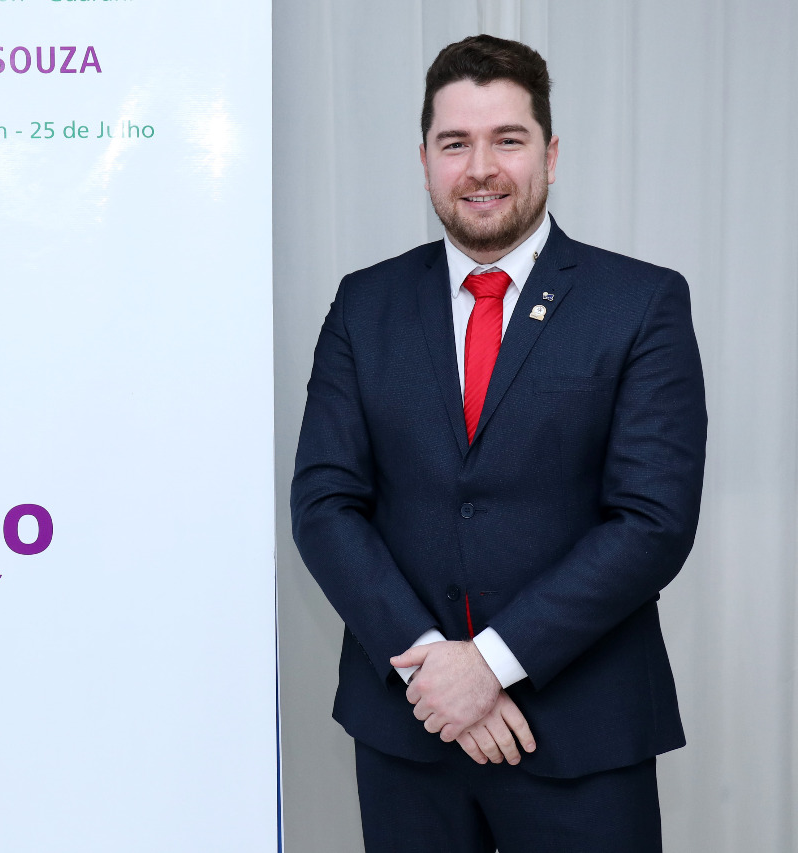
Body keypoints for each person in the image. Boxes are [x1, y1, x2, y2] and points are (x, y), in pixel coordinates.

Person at [290, 34, 707, 853]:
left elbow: (652, 520)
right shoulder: (364, 305)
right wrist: (432, 666)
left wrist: (489, 664)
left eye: (507, 139)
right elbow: (324, 503)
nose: (480, 168)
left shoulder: (641, 302)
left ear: (550, 153)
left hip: (583, 735)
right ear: (424, 161)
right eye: (455, 143)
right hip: (412, 729)